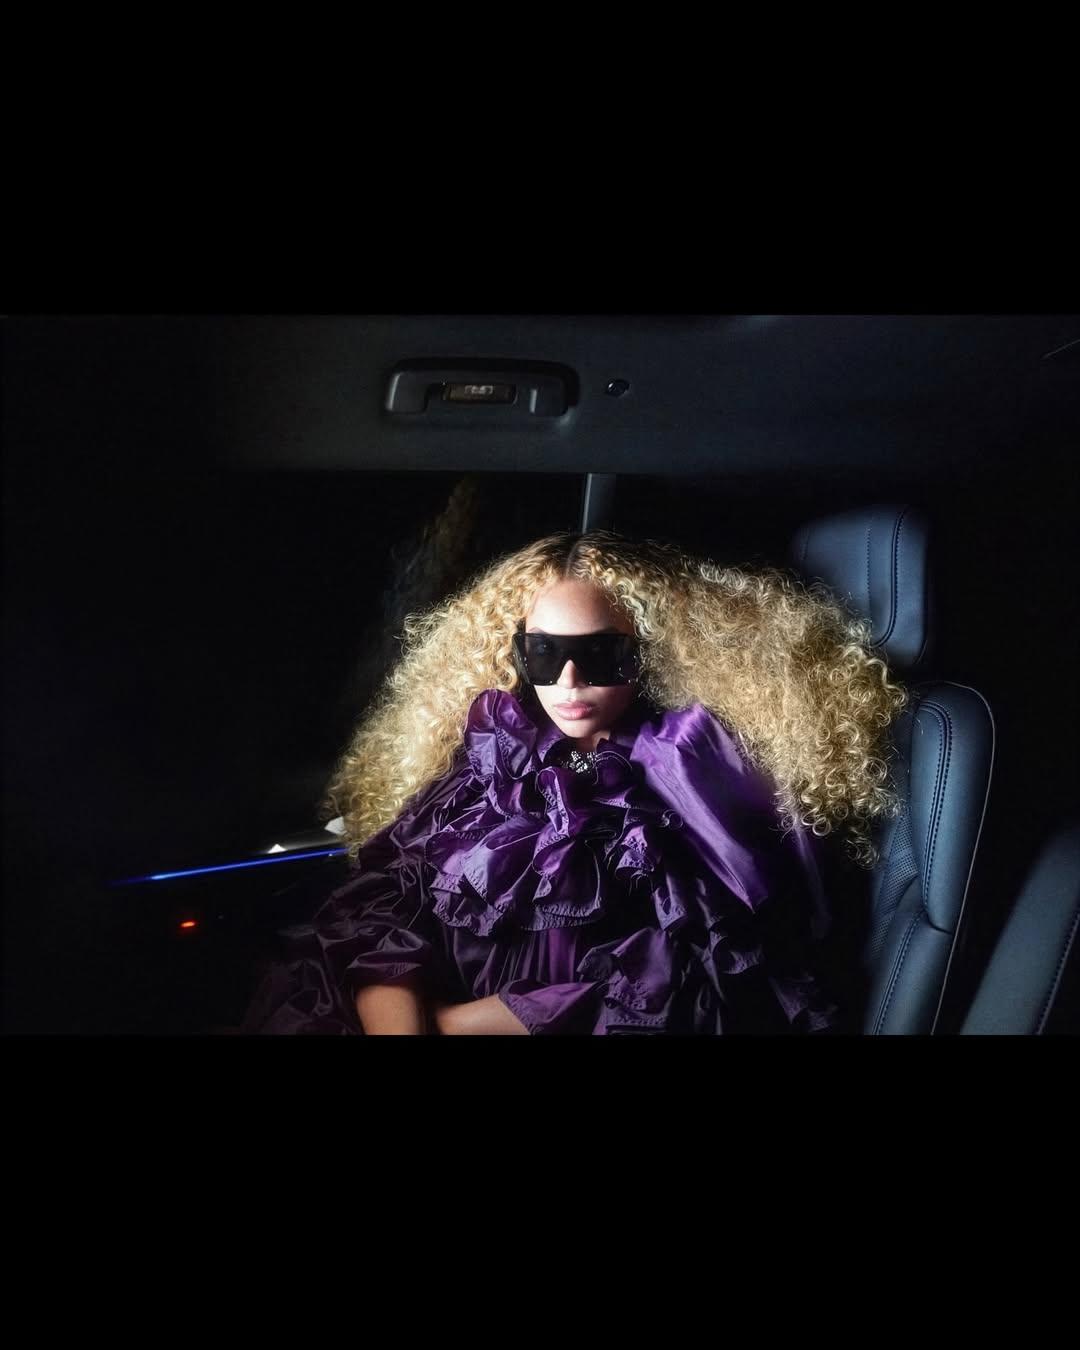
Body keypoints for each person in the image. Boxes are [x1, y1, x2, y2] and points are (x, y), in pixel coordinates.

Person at [240, 530, 908, 1035]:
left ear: (646, 653)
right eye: (544, 653)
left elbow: (692, 980)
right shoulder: (488, 755)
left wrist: (455, 1025)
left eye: (600, 654)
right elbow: (381, 911)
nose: (569, 682)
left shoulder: (687, 774)